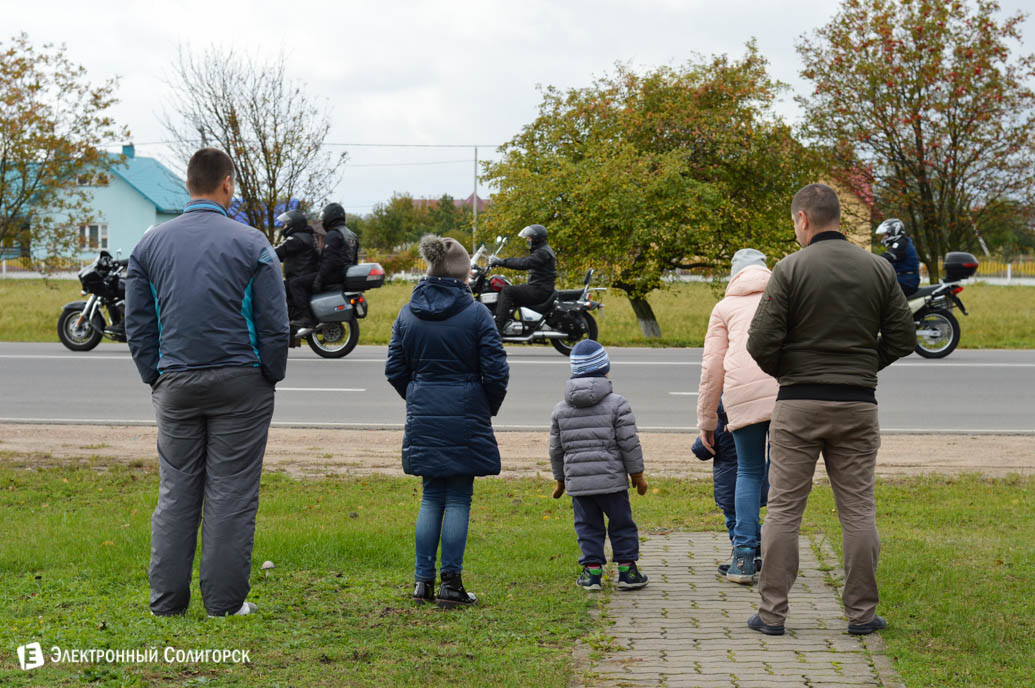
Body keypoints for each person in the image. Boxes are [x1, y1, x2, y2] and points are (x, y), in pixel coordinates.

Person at [125, 147, 290, 618]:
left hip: (175, 381)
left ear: (188, 184)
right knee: (232, 492)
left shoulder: (149, 246)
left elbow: (138, 322)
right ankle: (224, 605)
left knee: (176, 491)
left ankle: (166, 604)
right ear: (227, 184)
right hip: (241, 382)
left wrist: (154, 374)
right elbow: (274, 322)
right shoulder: (253, 242)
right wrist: (270, 373)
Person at [745, 183, 916, 637]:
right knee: (858, 510)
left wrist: (791, 372)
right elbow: (903, 338)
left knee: (784, 510)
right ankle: (862, 615)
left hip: (798, 404)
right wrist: (863, 367)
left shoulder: (790, 268)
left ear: (803, 219)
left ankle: (772, 614)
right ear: (838, 217)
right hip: (857, 404)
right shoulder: (879, 269)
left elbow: (760, 342)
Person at [385, 234, 509, 608]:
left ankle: (422, 582)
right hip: (466, 411)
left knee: (430, 495)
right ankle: (451, 584)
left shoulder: (407, 313)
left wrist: (419, 396)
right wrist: (483, 405)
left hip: (424, 412)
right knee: (458, 497)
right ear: (462, 273)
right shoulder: (476, 314)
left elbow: (394, 369)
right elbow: (496, 371)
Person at [697, 249, 779, 585]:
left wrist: (707, 421)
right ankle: (778, 559)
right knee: (783, 475)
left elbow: (711, 369)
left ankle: (744, 559)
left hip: (742, 397)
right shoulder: (785, 298)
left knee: (748, 471)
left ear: (735, 276)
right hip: (786, 393)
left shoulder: (724, 308)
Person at [549, 339, 649, 592]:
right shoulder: (618, 404)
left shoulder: (560, 410)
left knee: (587, 526)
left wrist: (560, 480)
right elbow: (629, 443)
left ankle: (592, 573)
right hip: (612, 482)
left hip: (579, 484)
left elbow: (556, 449)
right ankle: (627, 571)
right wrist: (637, 475)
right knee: (622, 524)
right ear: (605, 370)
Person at [691, 400, 769, 575]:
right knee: (752, 517)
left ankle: (742, 558)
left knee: (734, 521)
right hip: (755, 483)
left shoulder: (720, 425)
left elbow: (701, 450)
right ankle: (757, 553)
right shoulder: (752, 422)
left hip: (728, 486)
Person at [288, 202, 359, 330]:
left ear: (331, 216)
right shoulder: (352, 235)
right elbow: (354, 260)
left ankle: (306, 318)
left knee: (295, 284)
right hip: (342, 275)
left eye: (324, 217)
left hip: (332, 275)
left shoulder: (333, 235)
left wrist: (319, 280)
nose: (323, 220)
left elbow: (329, 261)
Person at [488, 224, 556, 333]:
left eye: (529, 238)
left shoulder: (543, 252)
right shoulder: (542, 250)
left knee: (507, 291)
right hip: (540, 288)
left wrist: (501, 262)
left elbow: (524, 263)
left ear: (536, 239)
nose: (528, 240)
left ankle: (497, 328)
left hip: (540, 290)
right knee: (510, 290)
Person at [274, 209, 320, 324]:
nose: (284, 227)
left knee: (279, 288)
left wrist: (258, 255)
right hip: (306, 274)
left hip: (301, 276)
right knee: (283, 289)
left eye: (286, 224)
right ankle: (292, 322)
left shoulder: (296, 239)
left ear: (293, 224)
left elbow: (278, 251)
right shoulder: (308, 236)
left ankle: (306, 317)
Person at [875, 218, 920, 296]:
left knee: (879, 293)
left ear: (893, 232)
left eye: (885, 234)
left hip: (907, 282)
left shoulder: (902, 243)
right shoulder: (901, 242)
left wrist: (872, 260)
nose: (884, 237)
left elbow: (888, 257)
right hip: (903, 280)